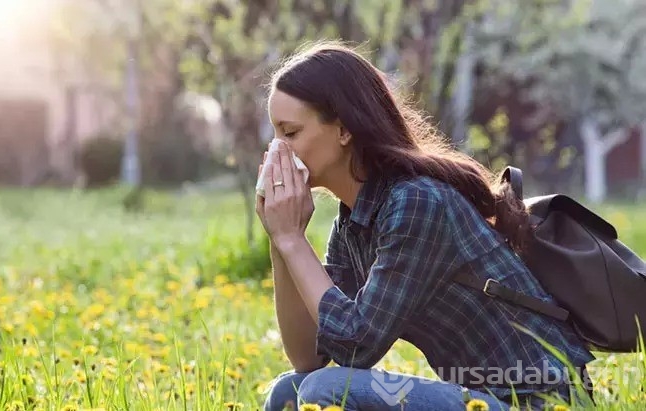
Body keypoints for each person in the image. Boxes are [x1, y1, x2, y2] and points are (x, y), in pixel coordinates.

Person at [254, 41, 596, 411]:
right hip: (481, 397)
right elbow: (308, 358)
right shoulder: (353, 221)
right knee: (288, 393)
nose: (278, 151)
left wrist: (292, 240)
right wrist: (281, 239)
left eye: (289, 134)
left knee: (325, 390)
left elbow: (357, 346)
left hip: (540, 401)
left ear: (343, 130)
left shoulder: (415, 202)